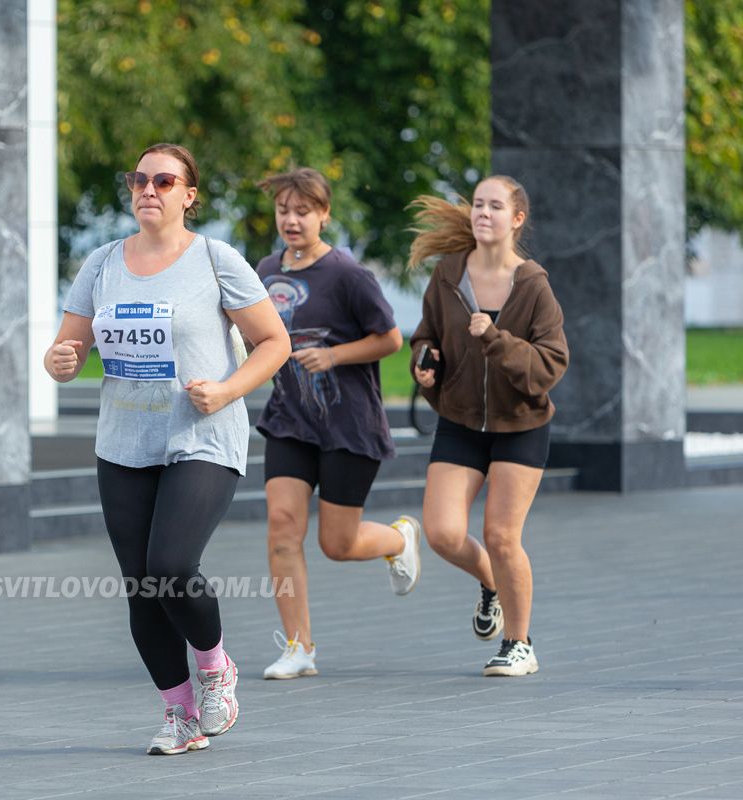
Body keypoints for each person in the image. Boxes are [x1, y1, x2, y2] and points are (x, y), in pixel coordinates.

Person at [44, 143, 291, 755]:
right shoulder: (102, 263)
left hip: (202, 437)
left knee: (172, 567)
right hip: (124, 442)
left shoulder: (215, 259)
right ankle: (179, 715)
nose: (148, 189)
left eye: (163, 180)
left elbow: (273, 342)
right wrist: (59, 361)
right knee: (142, 588)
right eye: (138, 179)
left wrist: (228, 388)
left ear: (189, 194)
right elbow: (66, 354)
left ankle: (214, 666)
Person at [252, 167, 421, 681]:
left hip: (350, 425)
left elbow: (391, 339)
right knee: (282, 527)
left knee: (337, 544)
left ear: (324, 214)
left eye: (303, 211)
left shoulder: (349, 275)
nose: (292, 220)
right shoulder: (264, 271)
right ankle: (299, 647)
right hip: (289, 419)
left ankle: (399, 539)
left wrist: (334, 356)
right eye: (284, 210)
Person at [407, 175, 568, 677]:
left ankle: (519, 643)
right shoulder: (449, 274)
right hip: (459, 421)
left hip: (520, 425)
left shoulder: (533, 284)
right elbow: (426, 334)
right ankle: (491, 585)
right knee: (441, 532)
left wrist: (496, 338)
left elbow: (550, 365)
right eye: (478, 204)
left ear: (516, 219)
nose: (483, 213)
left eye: (495, 206)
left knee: (501, 535)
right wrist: (424, 360)